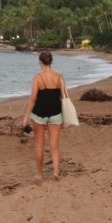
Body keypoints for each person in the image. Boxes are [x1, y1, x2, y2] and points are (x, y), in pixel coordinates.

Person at [23, 50, 66, 181]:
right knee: (55, 145)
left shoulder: (37, 77)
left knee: (39, 145)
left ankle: (40, 175)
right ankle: (56, 172)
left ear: (40, 62)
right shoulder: (59, 77)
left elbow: (33, 98)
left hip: (39, 114)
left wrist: (26, 116)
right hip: (56, 113)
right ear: (51, 62)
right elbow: (63, 96)